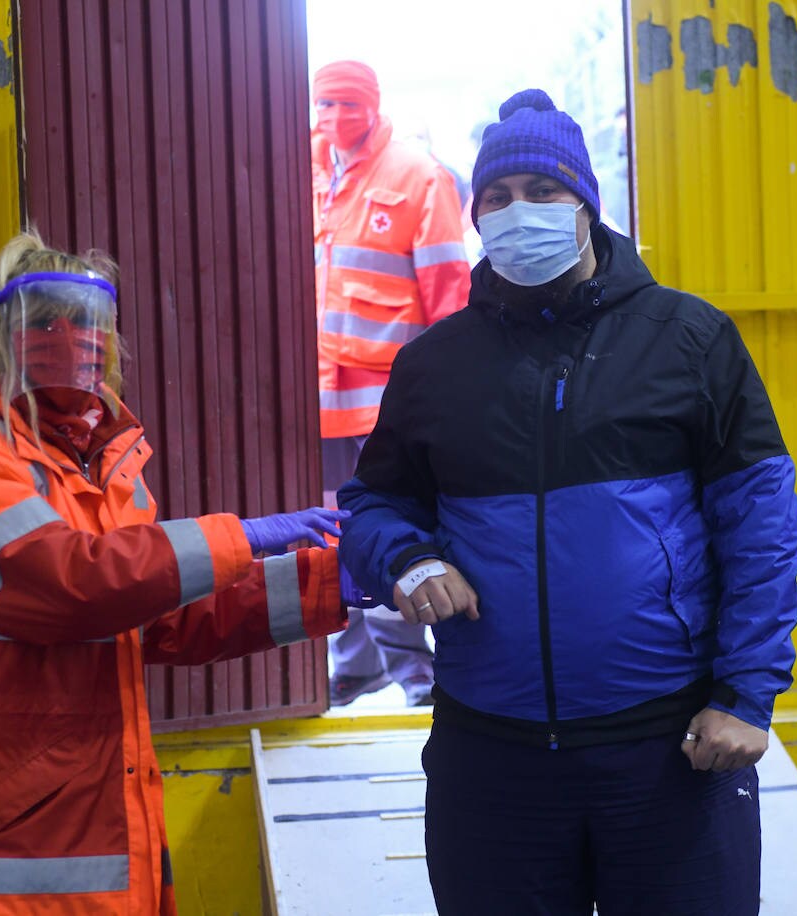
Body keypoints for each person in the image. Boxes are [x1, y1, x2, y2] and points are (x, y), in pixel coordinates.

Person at [338, 90, 797, 915]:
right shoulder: (434, 367)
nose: (520, 213)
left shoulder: (689, 340)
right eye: (497, 198)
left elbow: (761, 527)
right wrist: (408, 558)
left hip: (668, 752)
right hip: (491, 760)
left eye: (544, 192)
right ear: (476, 215)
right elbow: (373, 506)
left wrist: (745, 693)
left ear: (586, 204)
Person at [0, 231, 354, 915]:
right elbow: (71, 585)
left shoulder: (102, 471)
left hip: (90, 836)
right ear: (2, 335)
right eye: (46, 322)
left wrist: (330, 582)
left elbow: (159, 613)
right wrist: (240, 534)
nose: (72, 341)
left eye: (89, 325)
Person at [311, 60, 471, 707]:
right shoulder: (305, 171)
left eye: (349, 105)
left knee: (390, 537)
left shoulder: (417, 176)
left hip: (387, 408)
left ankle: (416, 676)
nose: (336, 118)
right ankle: (356, 664)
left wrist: (455, 395)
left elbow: (449, 296)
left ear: (374, 106)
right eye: (325, 105)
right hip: (317, 402)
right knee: (331, 539)